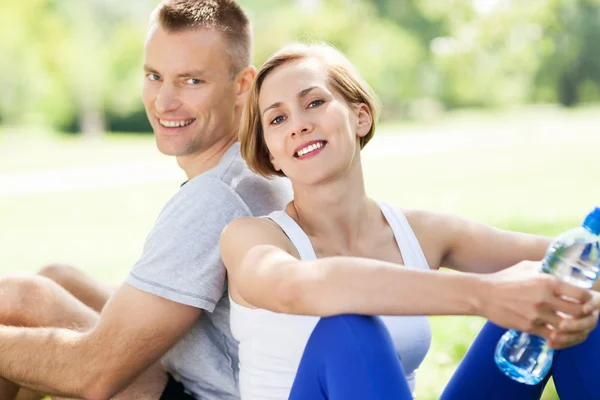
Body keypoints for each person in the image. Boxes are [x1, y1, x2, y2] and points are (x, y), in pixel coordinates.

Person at [220, 42, 600, 400]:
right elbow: (302, 288)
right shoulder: (251, 240)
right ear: (271, 156)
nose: (297, 125)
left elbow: (576, 260)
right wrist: (485, 295)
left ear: (361, 117)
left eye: (315, 102)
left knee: (569, 296)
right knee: (348, 329)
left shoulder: (420, 232)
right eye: (278, 118)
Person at [0, 1, 291, 399]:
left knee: (15, 299)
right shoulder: (246, 164)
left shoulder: (219, 195)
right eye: (155, 76)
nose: (163, 101)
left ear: (242, 85)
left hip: (208, 393)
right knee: (57, 278)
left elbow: (94, 375)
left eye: (191, 81)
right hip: (202, 370)